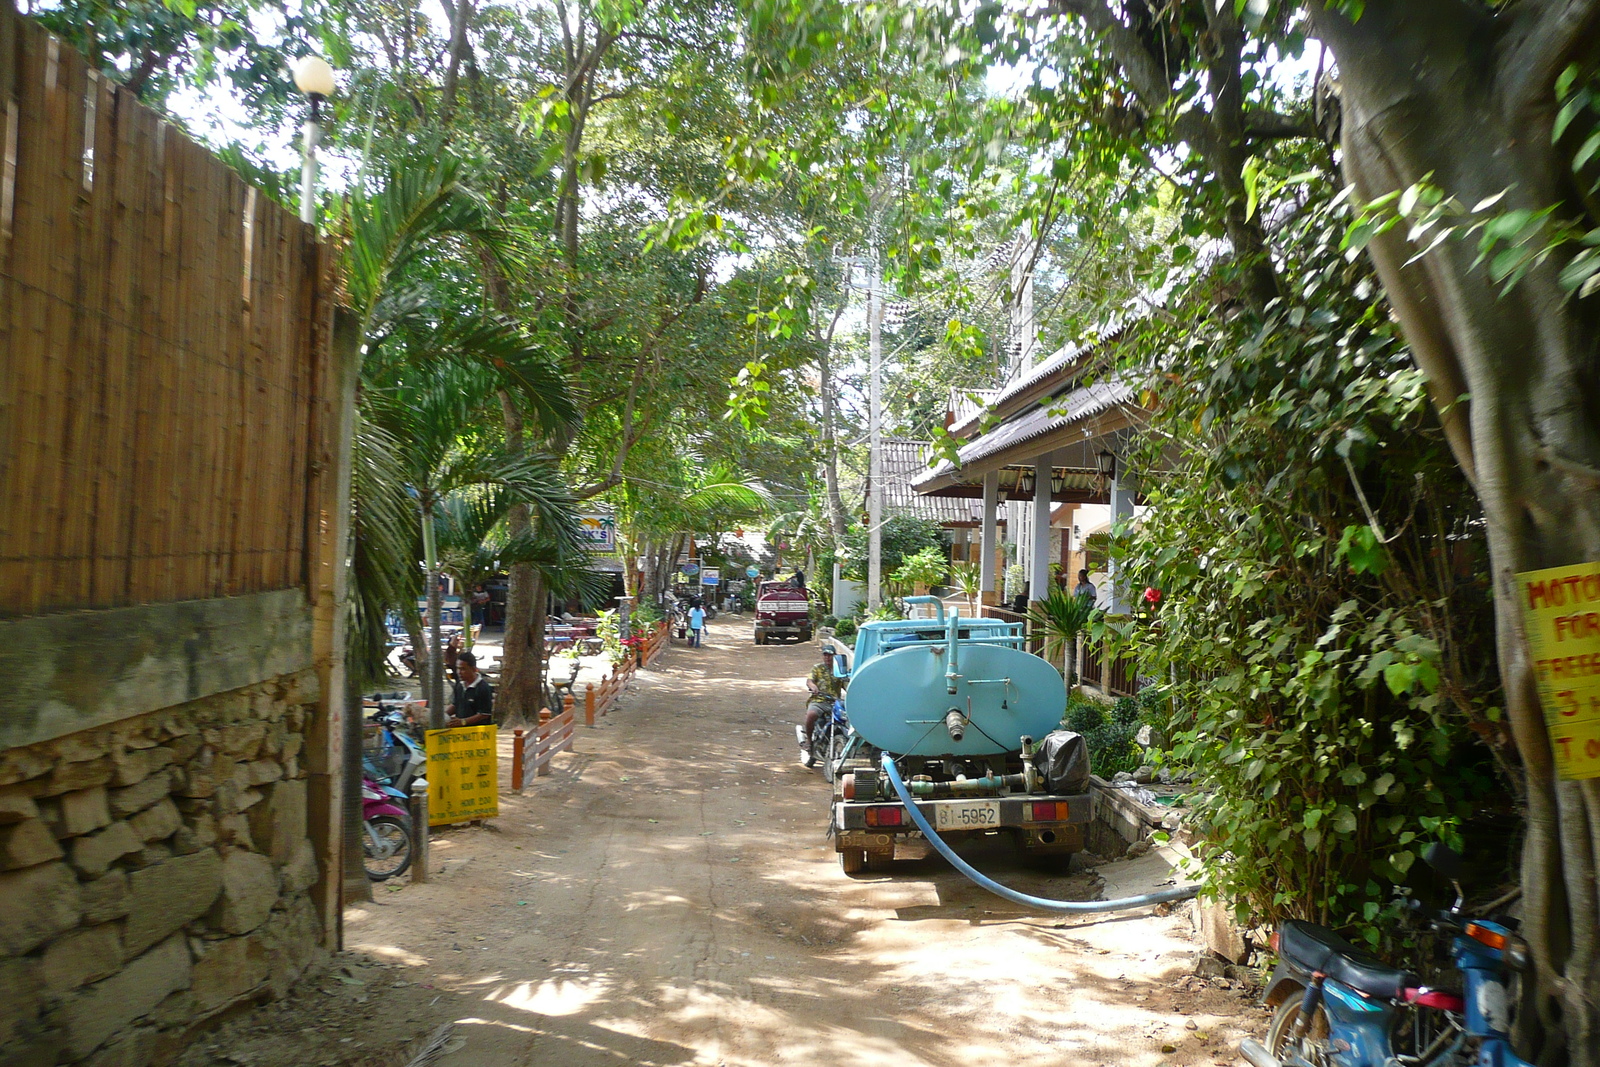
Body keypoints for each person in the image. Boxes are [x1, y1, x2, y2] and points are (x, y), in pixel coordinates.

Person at [798, 647, 846, 758]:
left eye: (830, 655)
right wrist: (813, 687)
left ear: (835, 656)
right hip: (819, 700)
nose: (827, 657)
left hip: (834, 702)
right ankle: (809, 741)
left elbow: (846, 685)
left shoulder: (839, 671)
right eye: (825, 655)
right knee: (811, 715)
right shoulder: (817, 668)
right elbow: (810, 681)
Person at [445, 652, 495, 727]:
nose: (459, 672)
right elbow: (455, 704)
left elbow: (484, 714)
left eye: (463, 669)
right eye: (457, 668)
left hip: (477, 733)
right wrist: (443, 716)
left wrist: (463, 722)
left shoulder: (483, 688)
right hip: (461, 731)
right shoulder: (459, 685)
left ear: (474, 669)